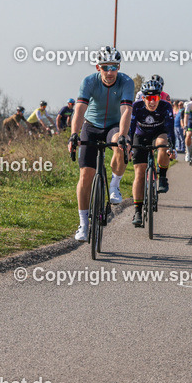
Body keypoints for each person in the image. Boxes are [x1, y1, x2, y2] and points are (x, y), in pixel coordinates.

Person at [67, 46, 134, 241]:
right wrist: (74, 134)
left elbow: (126, 111)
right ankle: (83, 224)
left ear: (118, 66)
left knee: (120, 145)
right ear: (98, 67)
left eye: (114, 67)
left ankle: (114, 185)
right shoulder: (88, 82)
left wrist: (123, 135)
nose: (110, 72)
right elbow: (79, 109)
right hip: (91, 125)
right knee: (85, 175)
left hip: (114, 125)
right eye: (106, 67)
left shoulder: (126, 82)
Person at [128, 80, 176, 227]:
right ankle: (137, 211)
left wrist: (172, 148)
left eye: (155, 98)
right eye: (148, 98)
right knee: (139, 173)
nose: (152, 101)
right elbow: (130, 128)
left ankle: (162, 177)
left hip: (158, 133)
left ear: (159, 98)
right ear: (143, 98)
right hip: (140, 135)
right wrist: (129, 146)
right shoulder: (136, 107)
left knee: (163, 145)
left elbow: (170, 129)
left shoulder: (165, 106)